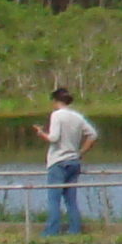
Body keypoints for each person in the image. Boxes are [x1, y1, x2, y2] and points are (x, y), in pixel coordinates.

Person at [32, 87, 99, 235]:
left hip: (58, 162)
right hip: (73, 161)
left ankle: (51, 232)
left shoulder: (57, 115)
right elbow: (93, 134)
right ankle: (74, 230)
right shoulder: (77, 116)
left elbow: (54, 138)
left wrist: (41, 133)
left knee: (54, 200)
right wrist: (81, 152)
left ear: (55, 101)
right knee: (71, 200)